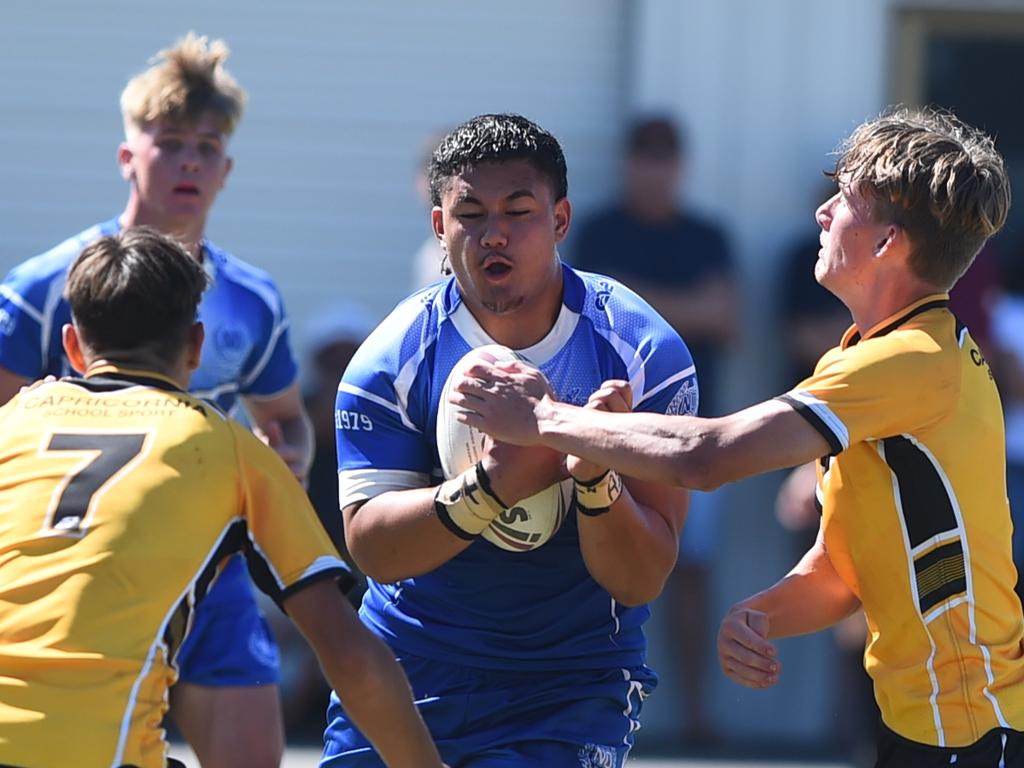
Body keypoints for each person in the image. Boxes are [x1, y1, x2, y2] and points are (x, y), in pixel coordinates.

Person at [453, 107, 1024, 766]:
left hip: (971, 733)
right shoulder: (885, 355)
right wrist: (760, 615)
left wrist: (545, 420)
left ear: (887, 242)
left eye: (844, 200)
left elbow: (708, 454)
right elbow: (847, 568)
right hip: (939, 727)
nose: (822, 212)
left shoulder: (906, 361)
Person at [324, 113, 695, 767]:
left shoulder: (642, 354)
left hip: (568, 686)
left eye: (518, 211)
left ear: (560, 221)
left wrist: (593, 478)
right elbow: (373, 548)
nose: (493, 234)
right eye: (470, 213)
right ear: (439, 227)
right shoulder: (390, 358)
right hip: (410, 672)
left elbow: (642, 579)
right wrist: (493, 487)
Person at [0, 227, 445, 768]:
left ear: (72, 345)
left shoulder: (13, 420)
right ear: (195, 347)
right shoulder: (224, 446)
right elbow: (345, 649)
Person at [0, 34, 312, 767]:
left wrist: (289, 457)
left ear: (228, 169)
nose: (191, 161)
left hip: (212, 567)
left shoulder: (251, 300)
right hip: (81, 580)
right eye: (171, 142)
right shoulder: (45, 289)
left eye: (208, 146)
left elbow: (286, 418)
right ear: (127, 156)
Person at [572, 115, 738, 744]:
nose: (654, 169)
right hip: (607, 430)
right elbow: (582, 316)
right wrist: (683, 306)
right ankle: (597, 705)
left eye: (665, 157)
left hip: (693, 433)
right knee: (602, 562)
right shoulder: (598, 229)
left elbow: (728, 316)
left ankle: (697, 717)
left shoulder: (706, 235)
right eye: (644, 156)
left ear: (680, 165)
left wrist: (635, 299)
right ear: (627, 162)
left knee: (689, 570)